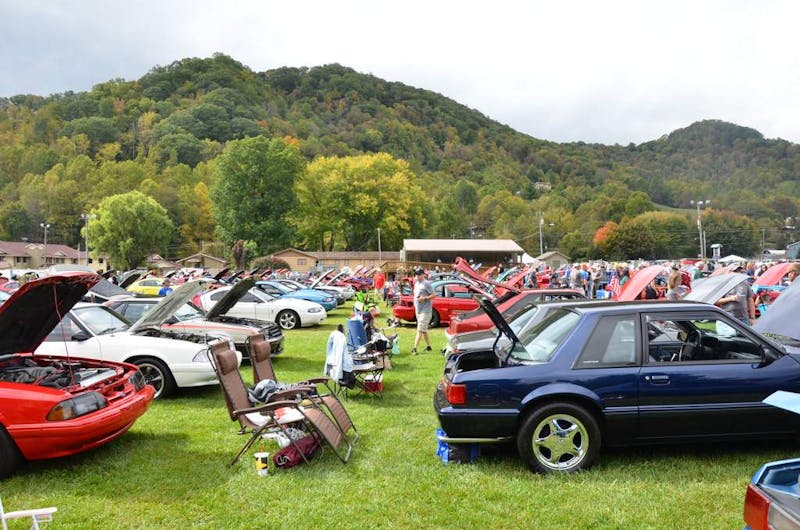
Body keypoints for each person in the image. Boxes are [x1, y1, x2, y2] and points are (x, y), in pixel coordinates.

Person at [411, 268, 434, 354]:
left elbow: (434, 295)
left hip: (426, 310)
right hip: (418, 310)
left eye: (419, 274)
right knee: (423, 330)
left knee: (420, 329)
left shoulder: (427, 284)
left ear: (423, 275)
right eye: (416, 275)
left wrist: (424, 298)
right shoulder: (416, 283)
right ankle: (429, 347)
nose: (417, 276)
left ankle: (414, 348)